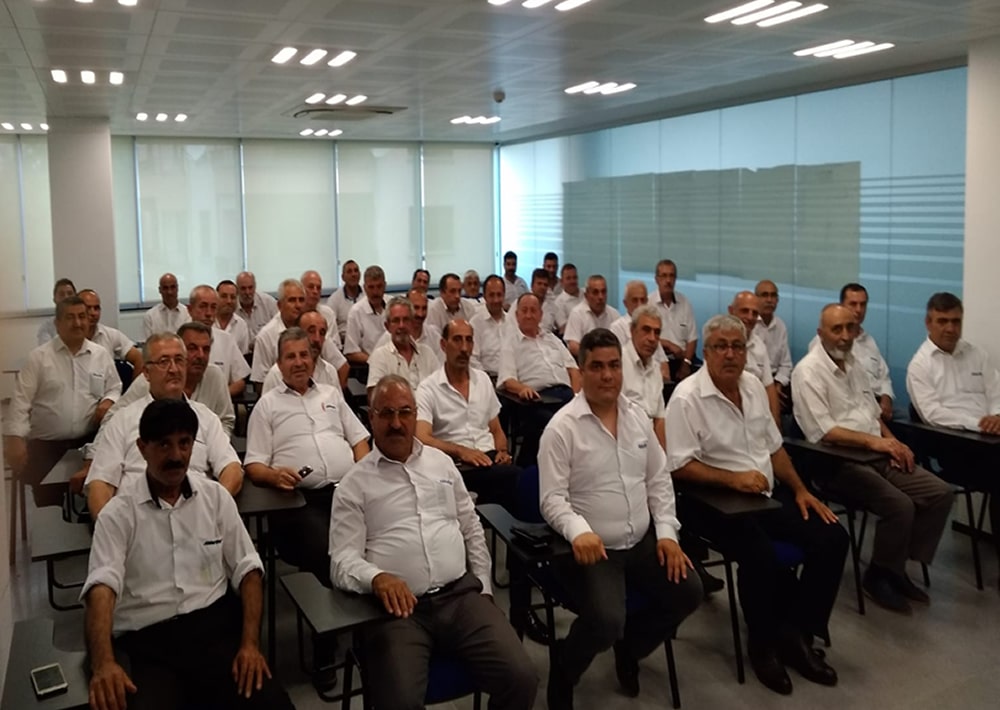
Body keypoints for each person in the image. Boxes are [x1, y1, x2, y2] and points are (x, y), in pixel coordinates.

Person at [330, 375, 538, 710]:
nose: (396, 423)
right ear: (371, 417)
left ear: (416, 415)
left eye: (405, 412)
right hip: (399, 612)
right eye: (386, 414)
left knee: (522, 677)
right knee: (399, 703)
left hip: (461, 596)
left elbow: (471, 528)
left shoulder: (441, 464)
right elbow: (341, 561)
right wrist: (376, 578)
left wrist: (484, 589)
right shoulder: (354, 485)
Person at [666, 314, 848, 695]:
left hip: (762, 494)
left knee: (832, 537)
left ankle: (797, 633)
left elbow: (774, 449)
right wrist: (733, 479)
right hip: (711, 500)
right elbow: (679, 466)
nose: (730, 354)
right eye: (720, 347)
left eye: (738, 346)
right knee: (761, 555)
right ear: (706, 352)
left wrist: (800, 490)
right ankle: (762, 645)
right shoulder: (686, 397)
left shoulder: (751, 386)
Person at [83, 398, 293, 710]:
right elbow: (102, 588)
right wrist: (103, 663)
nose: (176, 455)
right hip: (148, 641)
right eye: (164, 445)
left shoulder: (215, 498)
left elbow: (248, 570)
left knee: (272, 703)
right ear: (142, 448)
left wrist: (250, 645)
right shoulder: (118, 514)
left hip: (213, 630)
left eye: (184, 443)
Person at [540, 329, 702, 709]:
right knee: (607, 619)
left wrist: (667, 534)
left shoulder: (637, 417)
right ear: (582, 371)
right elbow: (551, 499)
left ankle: (631, 646)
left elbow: (658, 479)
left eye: (614, 365)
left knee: (690, 592)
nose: (608, 375)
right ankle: (565, 665)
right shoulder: (562, 428)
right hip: (596, 548)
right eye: (597, 367)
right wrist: (578, 531)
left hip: (643, 541)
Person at [793, 304, 952, 614]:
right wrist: (878, 444)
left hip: (875, 451)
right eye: (836, 329)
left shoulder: (855, 365)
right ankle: (878, 575)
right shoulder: (808, 371)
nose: (844, 336)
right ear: (820, 333)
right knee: (900, 505)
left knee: (940, 493)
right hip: (835, 461)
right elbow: (825, 432)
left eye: (849, 328)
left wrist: (893, 442)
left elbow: (872, 414)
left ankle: (896, 566)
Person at [246, 328, 369, 585]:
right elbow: (254, 466)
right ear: (279, 364)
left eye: (304, 355)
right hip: (300, 501)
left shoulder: (331, 394)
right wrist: (274, 476)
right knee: (327, 547)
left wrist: (364, 472)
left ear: (312, 359)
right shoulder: (267, 405)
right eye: (291, 357)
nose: (299, 362)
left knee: (381, 533)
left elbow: (359, 440)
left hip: (348, 491)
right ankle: (342, 599)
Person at [83, 333, 243, 518]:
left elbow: (232, 469)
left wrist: (215, 511)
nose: (174, 369)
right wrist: (110, 528)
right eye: (164, 362)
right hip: (138, 520)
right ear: (146, 372)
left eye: (179, 360)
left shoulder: (206, 417)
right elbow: (100, 484)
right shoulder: (123, 420)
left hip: (196, 516)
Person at [907, 291, 1000, 587]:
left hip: (991, 440)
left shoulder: (976, 354)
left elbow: (996, 392)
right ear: (928, 323)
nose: (950, 328)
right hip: (952, 447)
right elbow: (932, 415)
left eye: (956, 321)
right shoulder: (920, 365)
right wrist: (979, 424)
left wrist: (997, 416)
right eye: (943, 321)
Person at [4, 296, 121, 507]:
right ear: (57, 324)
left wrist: (108, 401)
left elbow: (114, 387)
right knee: (48, 511)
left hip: (88, 444)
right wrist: (15, 437)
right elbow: (21, 402)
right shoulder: (39, 358)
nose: (77, 323)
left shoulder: (100, 355)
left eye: (82, 317)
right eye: (70, 317)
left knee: (94, 504)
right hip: (46, 448)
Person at [416, 319, 519, 511]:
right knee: (513, 478)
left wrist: (503, 451)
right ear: (443, 345)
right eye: (457, 340)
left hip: (488, 458)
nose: (464, 348)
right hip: (455, 463)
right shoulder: (428, 388)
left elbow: (496, 429)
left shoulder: (483, 380)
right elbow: (422, 437)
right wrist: (460, 451)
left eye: (468, 340)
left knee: (519, 479)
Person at [105, 322, 235, 435]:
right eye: (192, 348)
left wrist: (214, 445)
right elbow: (111, 419)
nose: (201, 355)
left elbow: (226, 420)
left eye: (206, 349)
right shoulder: (149, 381)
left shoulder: (215, 376)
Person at [498, 293, 581, 465]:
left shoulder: (553, 340)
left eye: (533, 311)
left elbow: (573, 370)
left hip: (568, 396)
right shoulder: (510, 343)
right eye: (524, 311)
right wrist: (522, 388)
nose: (529, 315)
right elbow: (507, 379)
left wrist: (576, 396)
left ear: (540, 315)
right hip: (538, 399)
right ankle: (537, 467)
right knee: (555, 425)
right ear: (517, 315)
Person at [809, 283, 895, 421]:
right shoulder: (825, 343)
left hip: (876, 406)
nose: (858, 310)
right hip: (848, 408)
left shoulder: (869, 341)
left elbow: (883, 376)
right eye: (853, 304)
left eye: (863, 304)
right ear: (841, 306)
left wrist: (886, 397)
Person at [261, 310, 349, 392]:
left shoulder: (330, 371)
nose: (317, 339)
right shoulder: (276, 375)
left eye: (322, 333)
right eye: (311, 331)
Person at [366, 297, 440, 394]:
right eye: (396, 320)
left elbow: (440, 389)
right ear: (387, 326)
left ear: (412, 323)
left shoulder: (428, 354)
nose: (401, 326)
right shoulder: (380, 356)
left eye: (406, 320)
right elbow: (374, 396)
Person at [188, 285, 251, 396]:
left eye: (213, 307)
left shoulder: (226, 339)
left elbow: (240, 380)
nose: (208, 313)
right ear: (190, 309)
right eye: (203, 306)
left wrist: (220, 397)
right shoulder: (177, 341)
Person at [729, 291, 780, 427]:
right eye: (744, 311)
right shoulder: (719, 344)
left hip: (758, 416)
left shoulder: (759, 346)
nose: (750, 317)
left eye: (754, 313)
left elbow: (769, 387)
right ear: (731, 311)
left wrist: (775, 425)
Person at [620, 305, 667, 450]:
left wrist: (663, 457)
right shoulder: (618, 364)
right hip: (624, 441)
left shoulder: (656, 368)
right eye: (646, 330)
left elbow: (659, 419)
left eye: (657, 333)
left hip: (649, 443)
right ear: (632, 331)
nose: (652, 338)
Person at [609, 280, 669, 382]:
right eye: (635, 300)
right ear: (625, 303)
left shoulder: (652, 330)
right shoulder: (617, 327)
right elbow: (620, 365)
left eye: (642, 300)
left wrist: (656, 377)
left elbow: (664, 366)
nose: (639, 304)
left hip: (654, 379)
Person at [250, 279, 307, 383]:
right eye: (292, 300)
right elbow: (260, 381)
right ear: (280, 305)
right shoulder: (266, 336)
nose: (298, 305)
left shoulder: (312, 328)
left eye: (301, 300)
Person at [79, 289, 143, 377]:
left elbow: (139, 359)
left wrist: (134, 385)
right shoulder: (69, 338)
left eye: (96, 308)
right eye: (88, 308)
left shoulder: (111, 334)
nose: (93, 313)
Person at [652, 259, 697, 380]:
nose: (668, 280)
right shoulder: (648, 304)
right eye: (664, 276)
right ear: (656, 279)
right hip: (658, 361)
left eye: (671, 276)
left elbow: (692, 339)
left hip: (683, 359)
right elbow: (644, 337)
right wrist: (668, 344)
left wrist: (686, 363)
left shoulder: (684, 302)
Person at [375, 289, 442, 361]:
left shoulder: (434, 336)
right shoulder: (387, 338)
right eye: (416, 308)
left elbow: (441, 365)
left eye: (424, 308)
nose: (420, 314)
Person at [563, 275, 620, 356]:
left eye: (603, 292)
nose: (600, 297)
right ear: (586, 295)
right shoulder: (577, 313)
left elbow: (620, 343)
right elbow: (573, 345)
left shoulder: (614, 314)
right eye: (595, 292)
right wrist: (593, 357)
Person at [754, 279, 792, 400]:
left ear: (777, 300)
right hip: (754, 380)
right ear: (755, 299)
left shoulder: (780, 326)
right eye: (764, 295)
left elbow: (786, 364)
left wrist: (777, 385)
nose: (769, 300)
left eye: (773, 295)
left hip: (775, 379)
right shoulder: (749, 324)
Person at [344, 265, 387, 363]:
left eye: (379, 286)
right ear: (365, 288)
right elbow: (351, 352)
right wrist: (376, 362)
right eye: (371, 287)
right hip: (370, 364)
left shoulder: (393, 306)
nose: (375, 292)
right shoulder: (355, 312)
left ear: (385, 286)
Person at [470, 274, 509, 375]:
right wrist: (485, 379)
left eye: (499, 295)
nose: (496, 300)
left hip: (512, 377)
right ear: (484, 296)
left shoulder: (512, 321)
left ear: (504, 295)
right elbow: (472, 359)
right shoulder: (475, 323)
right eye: (491, 295)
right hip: (487, 377)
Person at [142, 272, 190, 339]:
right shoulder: (150, 316)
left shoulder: (187, 314)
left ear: (177, 288)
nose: (169, 292)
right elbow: (148, 343)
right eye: (165, 288)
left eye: (172, 287)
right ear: (160, 290)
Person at [236, 271, 279, 342]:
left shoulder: (269, 303)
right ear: (237, 289)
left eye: (250, 288)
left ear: (255, 287)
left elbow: (279, 328)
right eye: (243, 288)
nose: (247, 292)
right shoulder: (232, 307)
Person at [326, 259, 362, 344]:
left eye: (356, 271)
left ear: (360, 274)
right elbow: (329, 328)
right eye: (349, 271)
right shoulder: (334, 299)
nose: (353, 274)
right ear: (343, 277)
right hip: (344, 343)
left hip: (366, 340)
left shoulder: (367, 295)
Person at [301, 270, 341, 344]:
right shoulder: (294, 313)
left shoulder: (328, 314)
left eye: (318, 288)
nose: (315, 291)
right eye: (311, 287)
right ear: (301, 289)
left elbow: (335, 344)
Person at [37, 277, 76, 345]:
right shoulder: (46, 327)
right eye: (61, 294)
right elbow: (45, 350)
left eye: (70, 294)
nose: (66, 297)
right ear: (54, 299)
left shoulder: (82, 323)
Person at [216, 279, 250, 355]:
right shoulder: (208, 321)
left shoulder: (241, 325)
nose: (229, 301)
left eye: (233, 297)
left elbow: (243, 356)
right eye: (224, 296)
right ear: (216, 298)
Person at [553, 264, 583, 335]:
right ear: (561, 281)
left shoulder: (587, 294)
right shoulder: (558, 303)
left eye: (574, 277)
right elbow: (564, 329)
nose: (572, 281)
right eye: (568, 278)